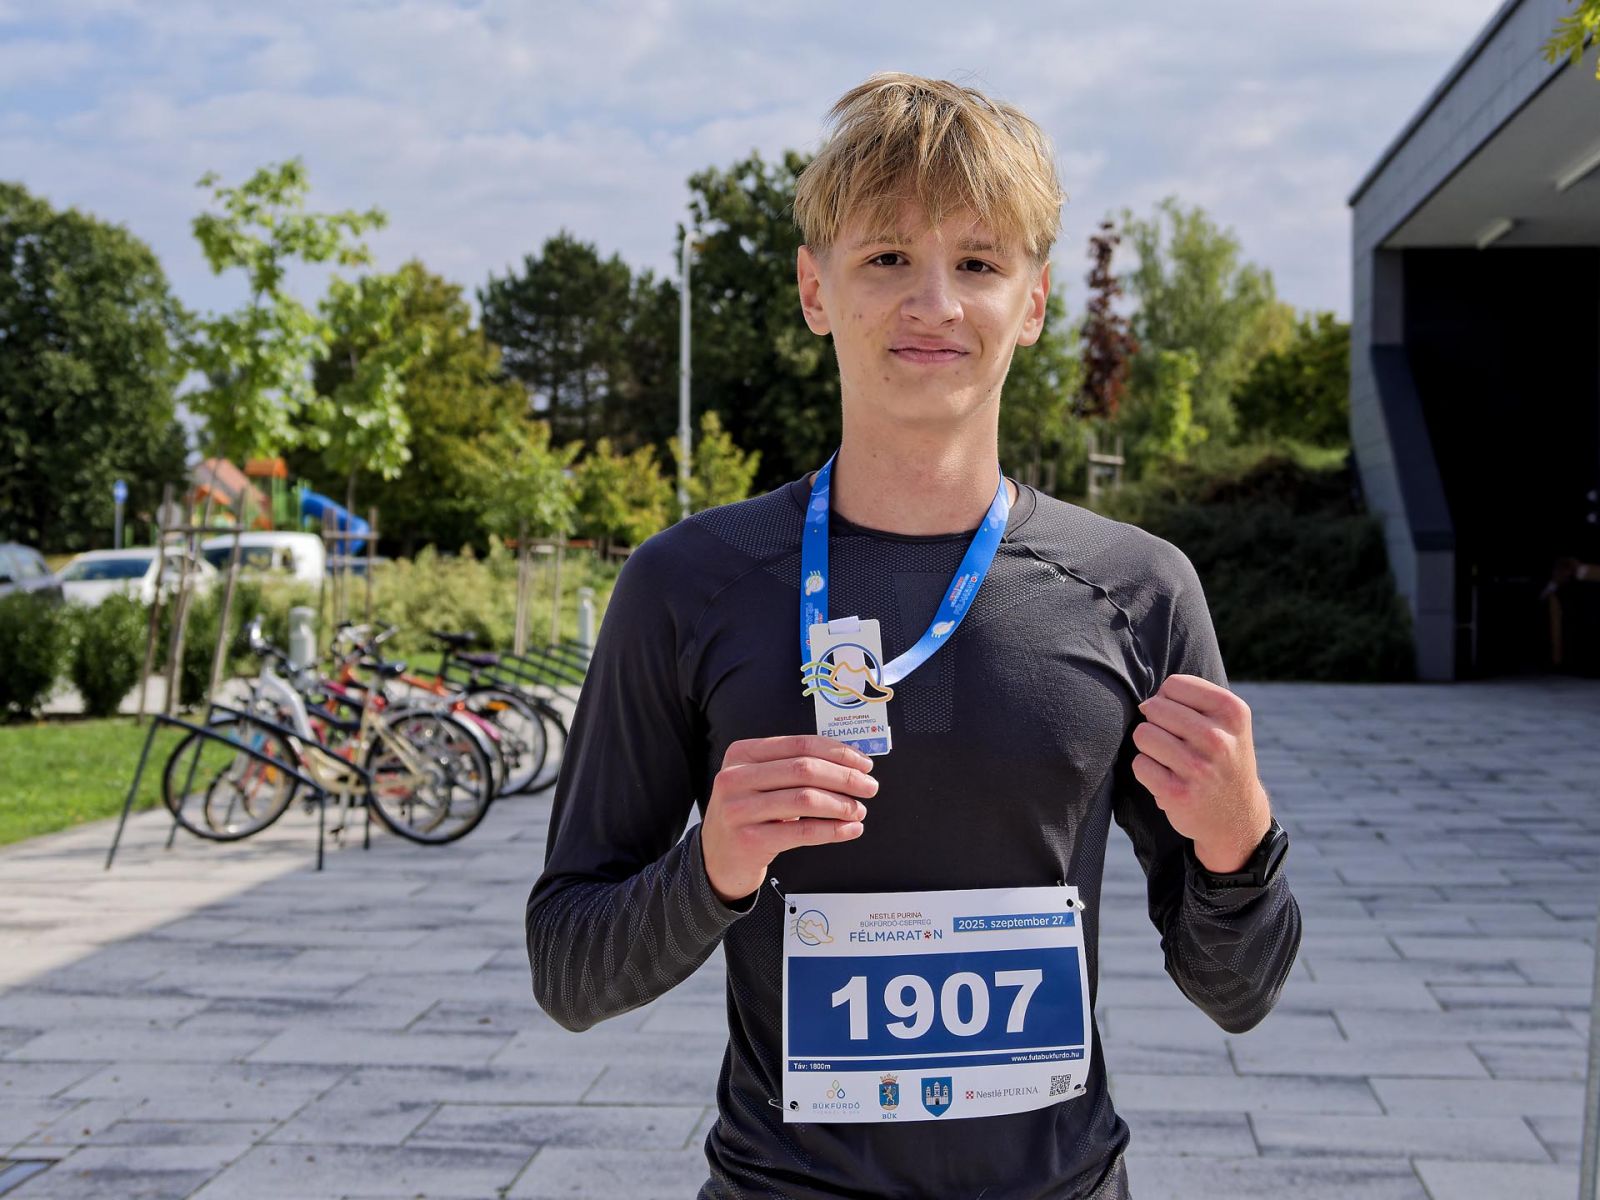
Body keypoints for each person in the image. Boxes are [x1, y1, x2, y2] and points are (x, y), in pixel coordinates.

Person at [526, 72, 1302, 1199]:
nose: (933, 302)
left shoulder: (1137, 591)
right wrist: (712, 867)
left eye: (978, 263)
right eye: (887, 256)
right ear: (815, 288)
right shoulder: (686, 585)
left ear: (1033, 303)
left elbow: (1238, 992)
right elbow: (569, 972)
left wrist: (1240, 843)